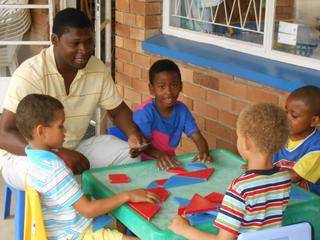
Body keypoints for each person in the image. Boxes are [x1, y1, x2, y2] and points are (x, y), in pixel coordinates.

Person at [0, 8, 147, 190]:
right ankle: (74, 214)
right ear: (54, 40)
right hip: (26, 157)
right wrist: (56, 153)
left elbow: (118, 110)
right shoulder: (31, 74)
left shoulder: (96, 69)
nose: (84, 50)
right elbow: (4, 134)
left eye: (88, 42)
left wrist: (132, 134)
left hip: (74, 147)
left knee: (128, 155)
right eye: (75, 43)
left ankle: (111, 208)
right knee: (55, 172)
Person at [16, 94, 159, 240]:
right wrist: (129, 195)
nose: (65, 131)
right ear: (41, 131)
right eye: (60, 126)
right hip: (77, 234)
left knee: (116, 220)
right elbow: (88, 210)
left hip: (61, 229)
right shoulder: (55, 170)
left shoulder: (32, 160)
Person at [168, 103, 291, 240]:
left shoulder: (240, 188)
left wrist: (185, 230)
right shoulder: (284, 178)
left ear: (246, 143)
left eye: (238, 136)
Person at [132, 59, 212, 170]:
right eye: (162, 86)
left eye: (174, 85)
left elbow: (198, 138)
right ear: (152, 89)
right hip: (140, 163)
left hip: (168, 163)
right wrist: (160, 155)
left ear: (181, 86)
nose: (169, 92)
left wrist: (204, 152)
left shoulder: (182, 111)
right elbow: (141, 145)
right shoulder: (144, 113)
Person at [273, 85, 320, 195]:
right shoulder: (281, 135)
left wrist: (263, 170)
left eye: (294, 116)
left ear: (314, 121)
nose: (286, 119)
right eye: (286, 112)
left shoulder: (316, 147)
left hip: (310, 204)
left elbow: (294, 176)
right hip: (283, 193)